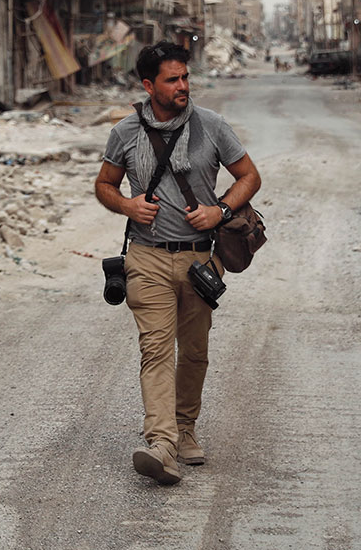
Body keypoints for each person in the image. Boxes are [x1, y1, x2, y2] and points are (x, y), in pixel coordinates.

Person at [95, 40, 261, 485]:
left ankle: (186, 428)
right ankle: (162, 443)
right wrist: (127, 206)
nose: (183, 85)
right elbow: (105, 185)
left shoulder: (212, 126)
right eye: (173, 79)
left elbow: (249, 176)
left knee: (194, 352)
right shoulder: (126, 132)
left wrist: (221, 211)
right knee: (154, 350)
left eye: (186, 77)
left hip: (201, 260)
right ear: (149, 85)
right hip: (146, 259)